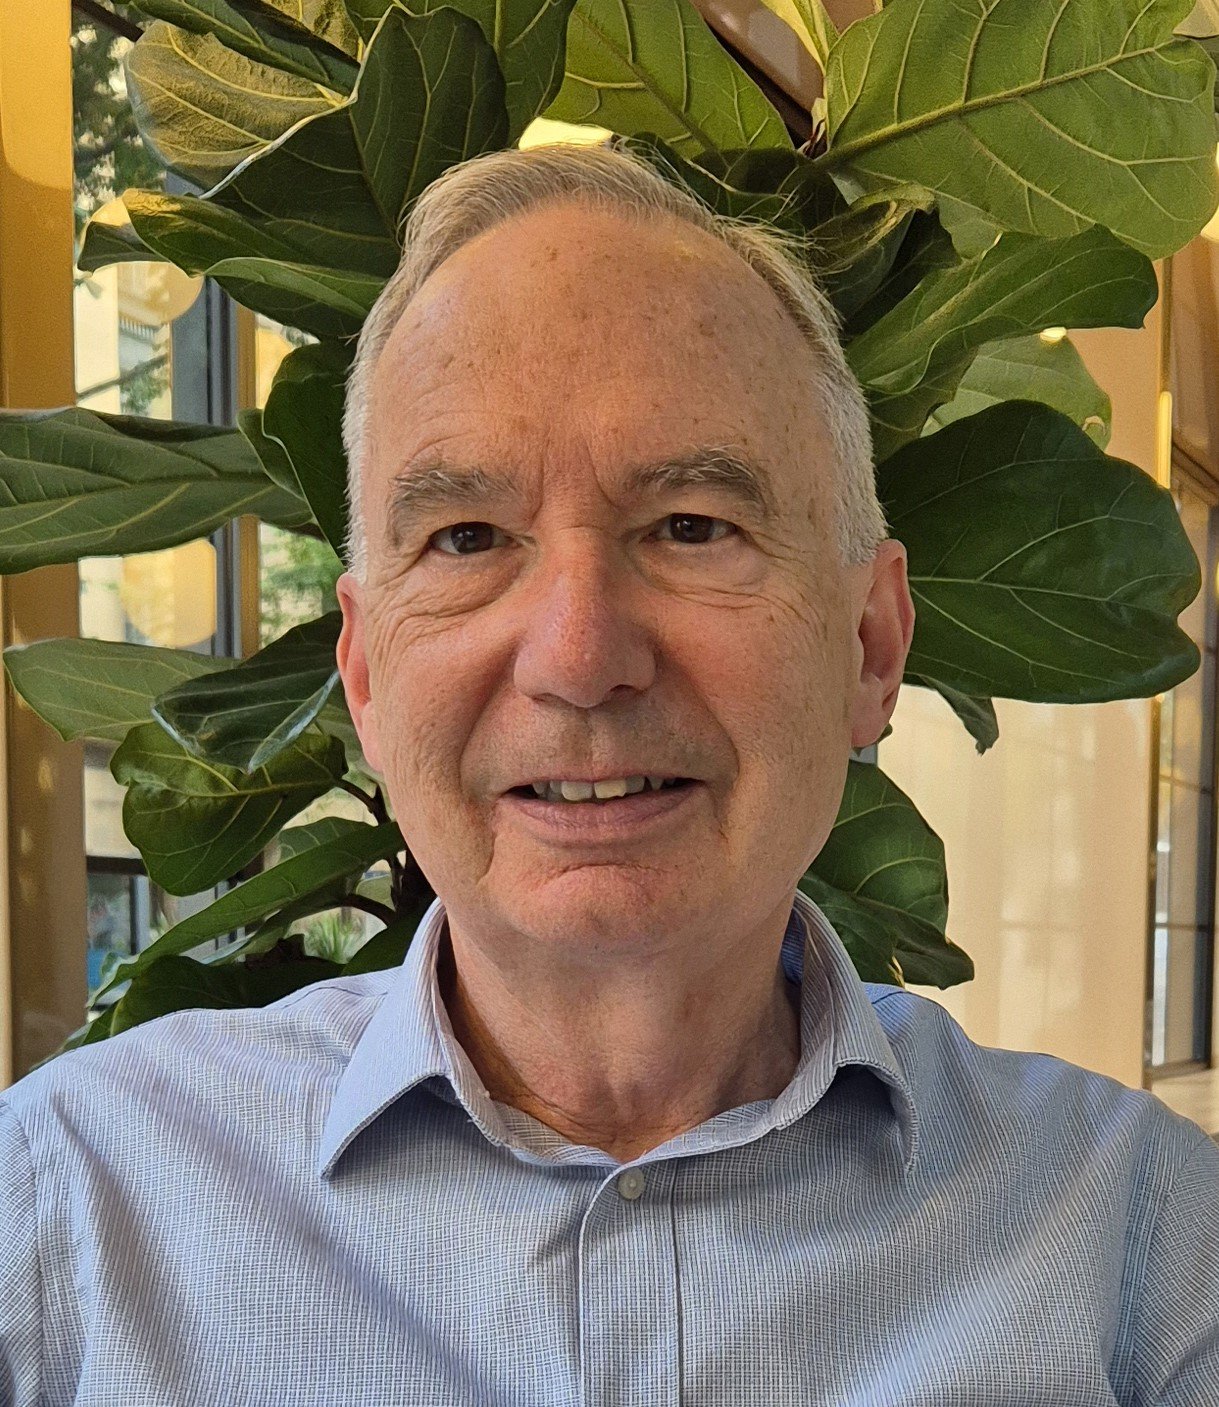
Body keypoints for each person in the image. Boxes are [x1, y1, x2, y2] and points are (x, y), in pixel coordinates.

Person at [2, 141, 1216, 1406]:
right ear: (364, 678)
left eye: (692, 527)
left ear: (868, 645)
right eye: (466, 538)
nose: (580, 658)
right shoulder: (67, 1217)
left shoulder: (1147, 1252)